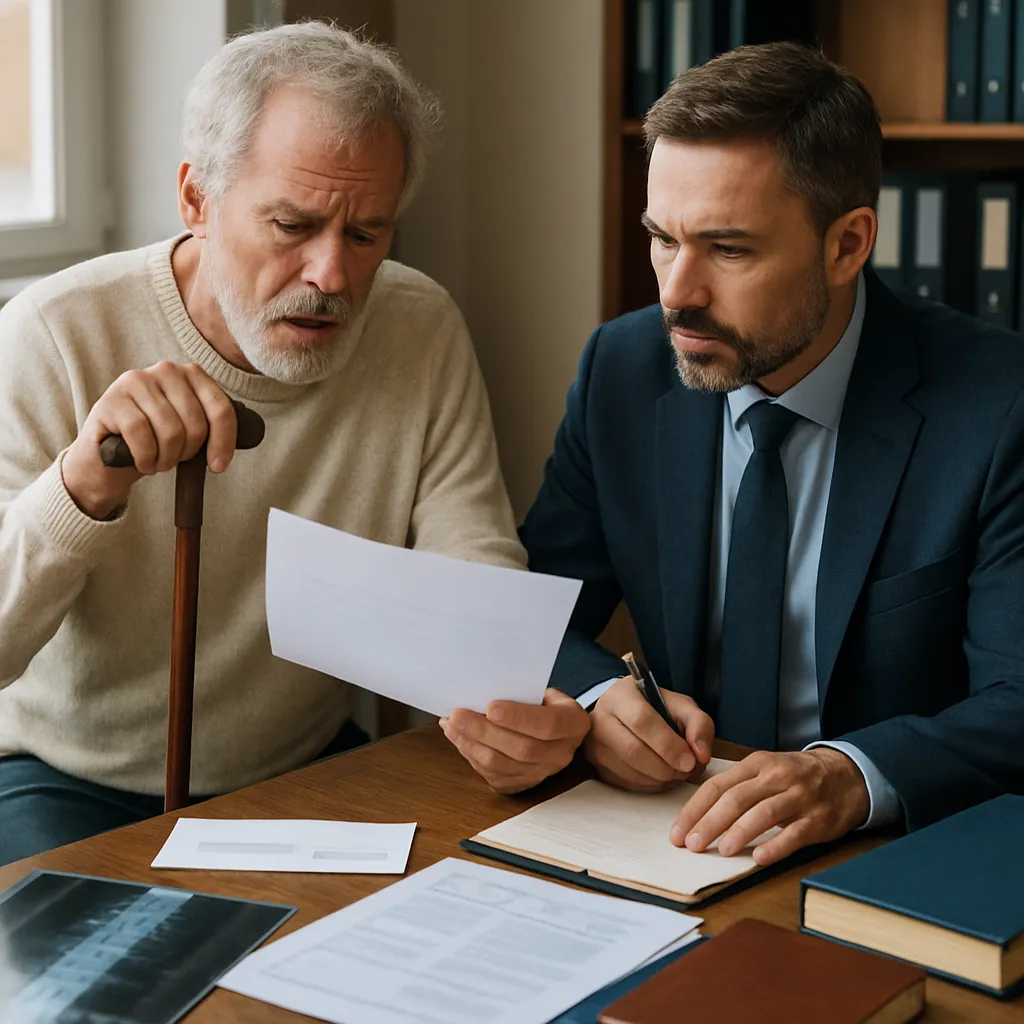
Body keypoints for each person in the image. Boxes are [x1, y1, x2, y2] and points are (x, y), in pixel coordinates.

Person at [444, 42, 1024, 865]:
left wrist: (850, 777)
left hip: (889, 859)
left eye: (728, 249)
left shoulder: (999, 405)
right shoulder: (622, 369)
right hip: (666, 842)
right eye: (661, 240)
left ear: (848, 244)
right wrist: (600, 696)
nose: (676, 293)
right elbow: (537, 615)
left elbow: (1018, 698)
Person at [0, 22, 528, 866]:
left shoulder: (419, 327)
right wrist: (79, 486)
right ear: (196, 199)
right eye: (292, 224)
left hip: (304, 765)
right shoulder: (56, 333)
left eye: (366, 235)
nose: (331, 275)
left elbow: (474, 571)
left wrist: (505, 705)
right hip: (66, 778)